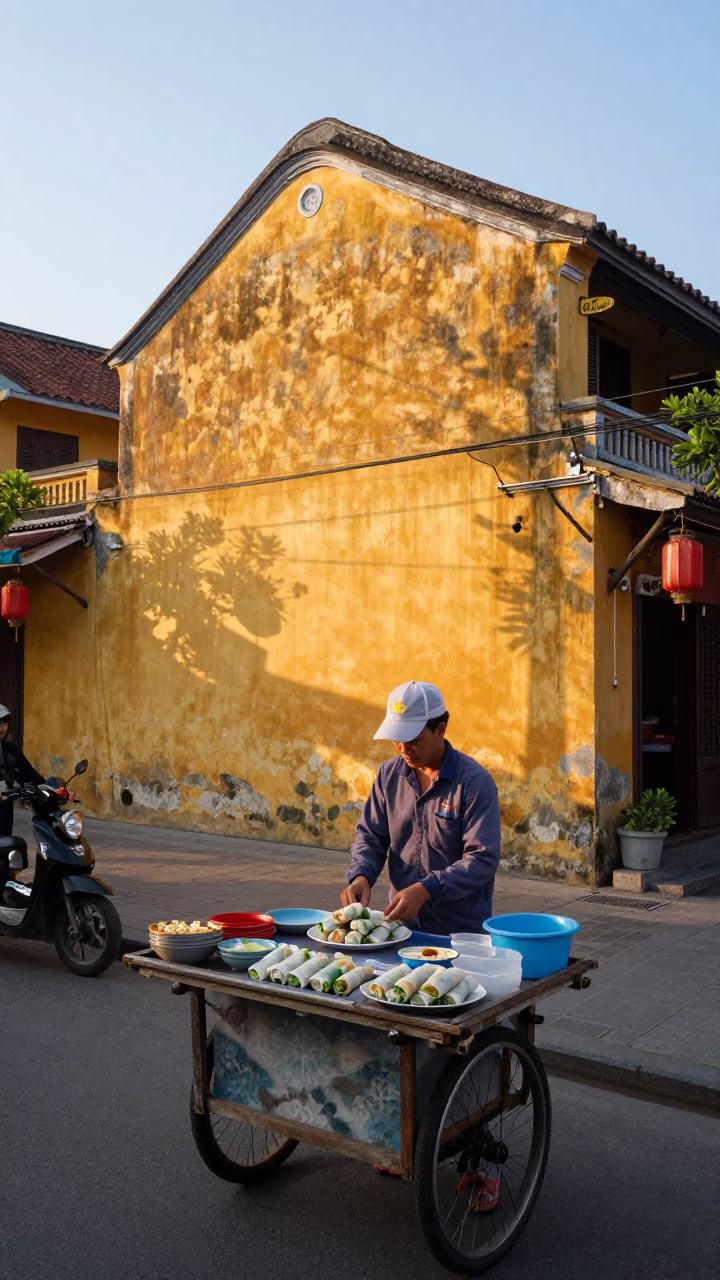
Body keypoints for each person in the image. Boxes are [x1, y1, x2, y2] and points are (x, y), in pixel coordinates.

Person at [342, 681, 501, 936]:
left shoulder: (474, 783)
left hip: (460, 932)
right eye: (397, 741)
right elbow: (371, 836)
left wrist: (428, 889)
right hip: (400, 927)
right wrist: (361, 875)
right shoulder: (388, 775)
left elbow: (482, 858)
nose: (404, 750)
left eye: (414, 740)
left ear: (440, 729)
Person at [0, 704, 44, 837]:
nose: (3, 728)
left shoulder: (9, 749)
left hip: (4, 799)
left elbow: (27, 771)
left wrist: (47, 786)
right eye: (0, 724)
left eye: (5, 724)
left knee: (5, 838)